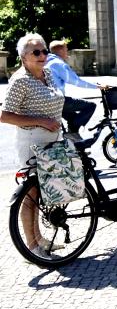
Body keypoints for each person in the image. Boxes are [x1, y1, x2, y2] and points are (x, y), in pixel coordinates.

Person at [0, 34, 64, 255]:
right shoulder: (20, 80)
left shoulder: (47, 73)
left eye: (44, 51)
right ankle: (31, 245)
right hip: (32, 141)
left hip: (52, 140)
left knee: (45, 191)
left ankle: (40, 238)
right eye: (36, 52)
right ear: (23, 56)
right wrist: (41, 120)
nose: (42, 55)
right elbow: (4, 115)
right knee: (31, 193)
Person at [45, 40, 101, 133]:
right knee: (90, 106)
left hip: (47, 100)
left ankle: (72, 139)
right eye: (66, 49)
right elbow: (76, 81)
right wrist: (97, 86)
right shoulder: (58, 64)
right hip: (57, 100)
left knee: (73, 117)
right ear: (61, 51)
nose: (67, 52)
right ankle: (72, 134)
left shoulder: (46, 61)